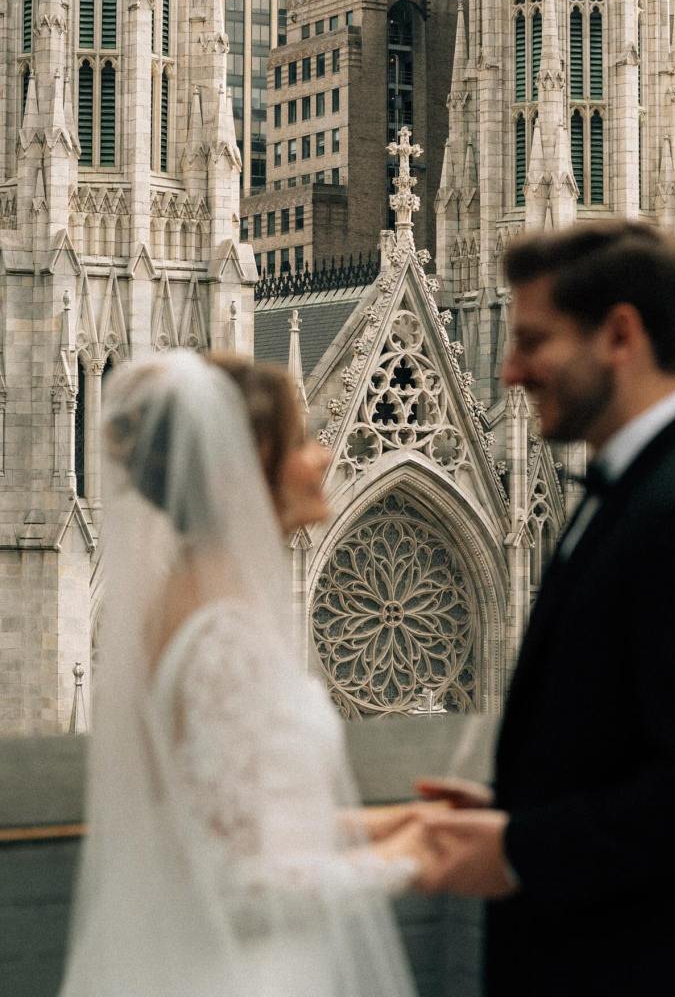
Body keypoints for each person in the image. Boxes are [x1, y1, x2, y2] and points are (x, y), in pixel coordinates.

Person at [415, 221, 675, 996]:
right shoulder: (634, 492)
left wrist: (522, 846)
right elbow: (633, 740)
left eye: (532, 340)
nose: (509, 368)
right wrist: (515, 805)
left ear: (619, 334)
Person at [60, 351, 423, 997]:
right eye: (304, 441)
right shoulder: (222, 632)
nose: (325, 457)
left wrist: (400, 824)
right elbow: (238, 884)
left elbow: (223, 815)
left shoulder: (183, 601)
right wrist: (418, 860)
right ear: (247, 463)